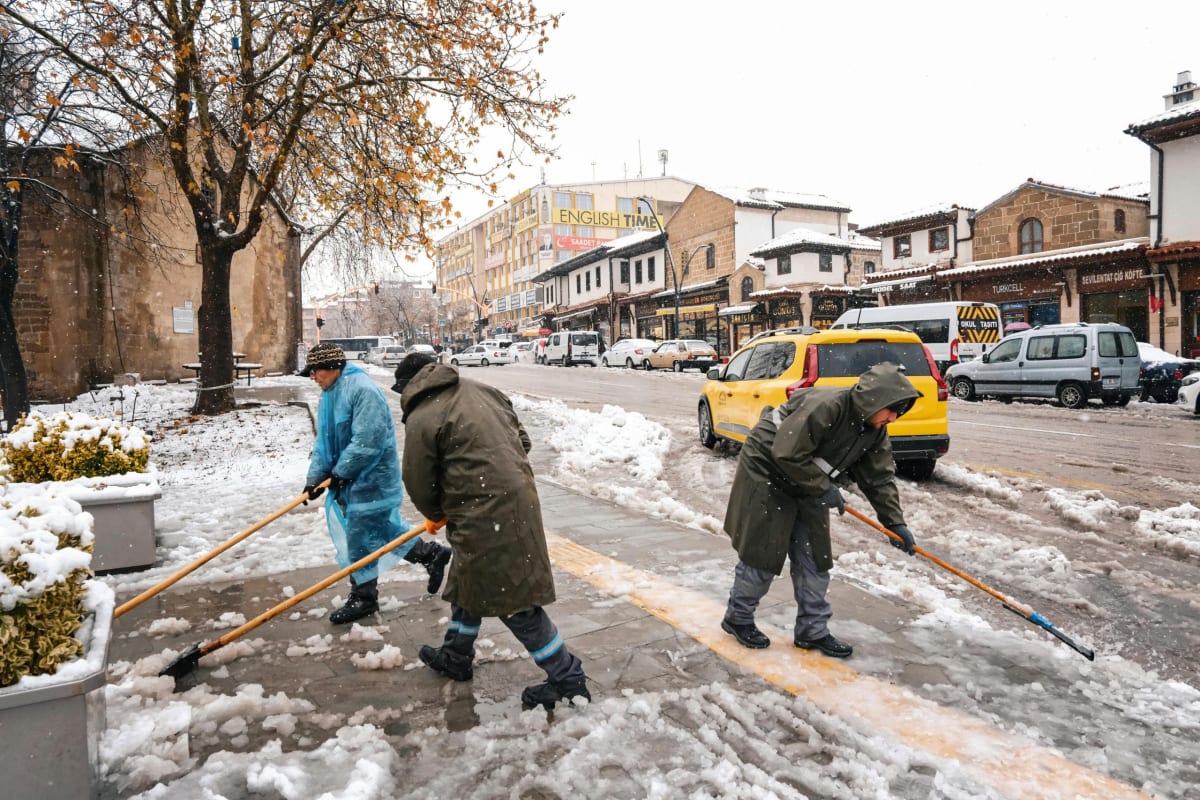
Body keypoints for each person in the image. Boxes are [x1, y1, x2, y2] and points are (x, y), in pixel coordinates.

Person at [390, 352, 590, 710]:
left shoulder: (423, 415)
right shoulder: (485, 391)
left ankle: (567, 677)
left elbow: (418, 481)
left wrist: (437, 512)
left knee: (511, 598)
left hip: (482, 511)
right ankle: (455, 654)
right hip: (516, 501)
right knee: (470, 580)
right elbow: (523, 443)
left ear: (409, 385)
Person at [720, 362, 920, 659]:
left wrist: (895, 523)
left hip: (807, 479)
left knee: (815, 556)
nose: (893, 418)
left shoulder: (874, 430)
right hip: (768, 471)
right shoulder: (826, 406)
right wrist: (823, 488)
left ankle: (812, 631)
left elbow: (878, 479)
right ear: (874, 400)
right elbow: (786, 453)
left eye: (898, 412)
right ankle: (738, 618)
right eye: (891, 409)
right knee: (763, 553)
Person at [299, 342, 452, 625]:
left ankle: (364, 597)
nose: (313, 377)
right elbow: (323, 443)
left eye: (315, 371)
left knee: (360, 537)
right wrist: (314, 479)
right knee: (381, 530)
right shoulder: (329, 395)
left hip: (372, 479)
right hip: (349, 479)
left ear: (333, 368)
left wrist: (343, 471)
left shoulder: (362, 390)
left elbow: (368, 440)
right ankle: (432, 554)